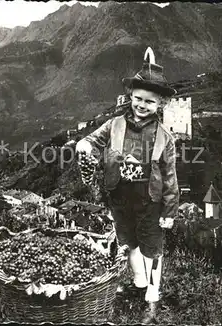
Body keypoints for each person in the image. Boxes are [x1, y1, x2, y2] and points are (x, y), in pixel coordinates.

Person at [75, 47, 179, 323]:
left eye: (149, 101)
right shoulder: (114, 125)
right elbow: (94, 140)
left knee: (151, 246)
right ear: (130, 97)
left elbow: (169, 177)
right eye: (138, 99)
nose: (142, 105)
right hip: (120, 196)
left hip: (150, 200)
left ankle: (153, 295)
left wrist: (169, 211)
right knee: (128, 241)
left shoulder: (164, 138)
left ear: (160, 105)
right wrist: (84, 145)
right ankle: (139, 282)